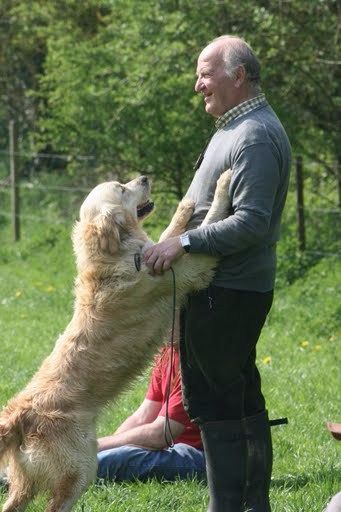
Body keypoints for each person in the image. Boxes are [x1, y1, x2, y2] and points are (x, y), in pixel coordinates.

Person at [144, 35, 291, 511]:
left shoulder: (255, 135)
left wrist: (182, 242)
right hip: (215, 290)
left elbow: (252, 222)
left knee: (218, 402)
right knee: (231, 399)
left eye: (206, 73)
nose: (197, 85)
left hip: (229, 291)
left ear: (238, 75)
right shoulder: (233, 128)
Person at [97, 341, 206, 482]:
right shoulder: (168, 352)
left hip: (202, 456)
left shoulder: (196, 361)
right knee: (107, 456)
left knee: (105, 462)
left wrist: (95, 448)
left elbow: (161, 434)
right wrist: (106, 447)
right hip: (170, 447)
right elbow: (142, 417)